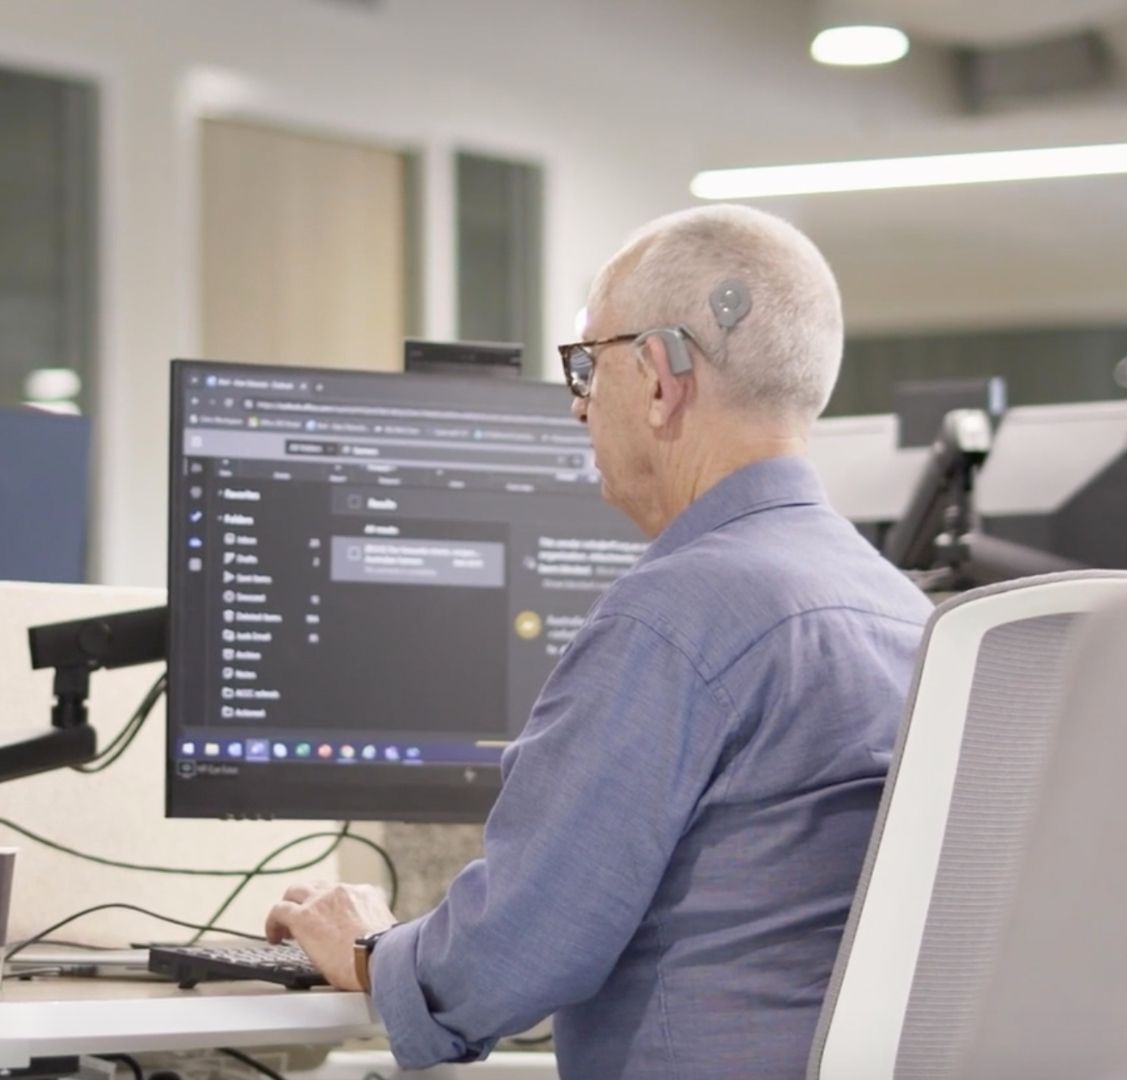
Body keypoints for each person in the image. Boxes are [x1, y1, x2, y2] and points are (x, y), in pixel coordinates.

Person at [265, 204, 934, 1077]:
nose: (580, 408)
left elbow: (506, 961)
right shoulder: (904, 610)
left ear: (658, 377)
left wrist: (365, 946)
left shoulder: (678, 615)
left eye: (587, 367)